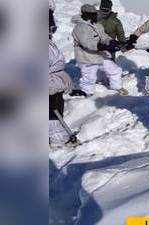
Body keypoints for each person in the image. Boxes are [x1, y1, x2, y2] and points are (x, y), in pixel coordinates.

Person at [71, 4, 128, 96]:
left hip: (99, 55)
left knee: (115, 70)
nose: (95, 15)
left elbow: (104, 37)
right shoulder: (80, 27)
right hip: (86, 57)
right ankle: (87, 93)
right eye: (93, 14)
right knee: (89, 77)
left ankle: (116, 87)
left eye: (95, 13)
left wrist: (112, 42)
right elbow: (87, 43)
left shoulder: (96, 25)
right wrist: (102, 46)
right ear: (86, 14)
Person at [49, 5, 73, 146]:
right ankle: (58, 139)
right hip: (50, 85)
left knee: (55, 106)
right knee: (52, 110)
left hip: (54, 83)